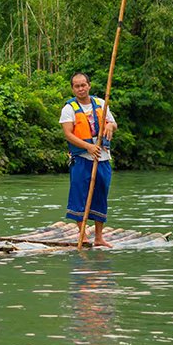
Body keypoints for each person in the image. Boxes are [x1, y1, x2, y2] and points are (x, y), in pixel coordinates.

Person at [61, 71, 116, 246]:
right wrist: (88, 147)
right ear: (72, 88)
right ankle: (82, 234)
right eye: (77, 86)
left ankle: (99, 237)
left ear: (89, 86)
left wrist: (110, 126)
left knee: (101, 193)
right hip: (82, 158)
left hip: (102, 157)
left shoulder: (100, 103)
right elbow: (68, 134)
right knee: (80, 195)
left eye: (83, 85)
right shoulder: (68, 109)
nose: (80, 89)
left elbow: (113, 122)